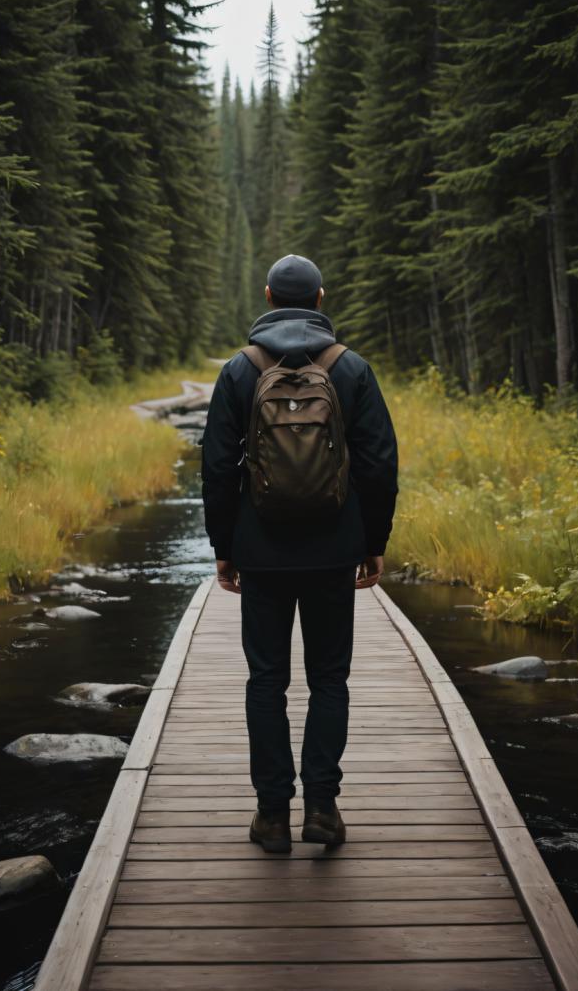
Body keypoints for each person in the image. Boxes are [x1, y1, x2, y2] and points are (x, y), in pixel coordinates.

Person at [201, 253, 398, 853]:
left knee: (266, 680)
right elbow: (379, 463)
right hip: (334, 549)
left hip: (260, 551)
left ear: (267, 296)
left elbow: (215, 466)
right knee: (329, 679)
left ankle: (270, 816)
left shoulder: (241, 369)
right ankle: (323, 807)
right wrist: (373, 543)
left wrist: (224, 547)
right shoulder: (351, 368)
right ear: (320, 298)